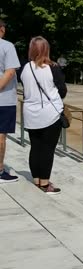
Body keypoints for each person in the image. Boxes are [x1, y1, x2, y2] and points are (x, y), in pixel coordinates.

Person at [20, 36, 67, 194]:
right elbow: (63, 91)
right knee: (47, 150)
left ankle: (36, 180)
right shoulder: (53, 68)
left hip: (31, 113)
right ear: (46, 49)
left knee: (36, 148)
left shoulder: (25, 68)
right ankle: (45, 183)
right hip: (50, 114)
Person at [0, 19, 20, 183]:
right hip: (4, 99)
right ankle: (0, 170)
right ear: (2, 29)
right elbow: (10, 72)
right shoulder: (7, 46)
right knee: (0, 136)